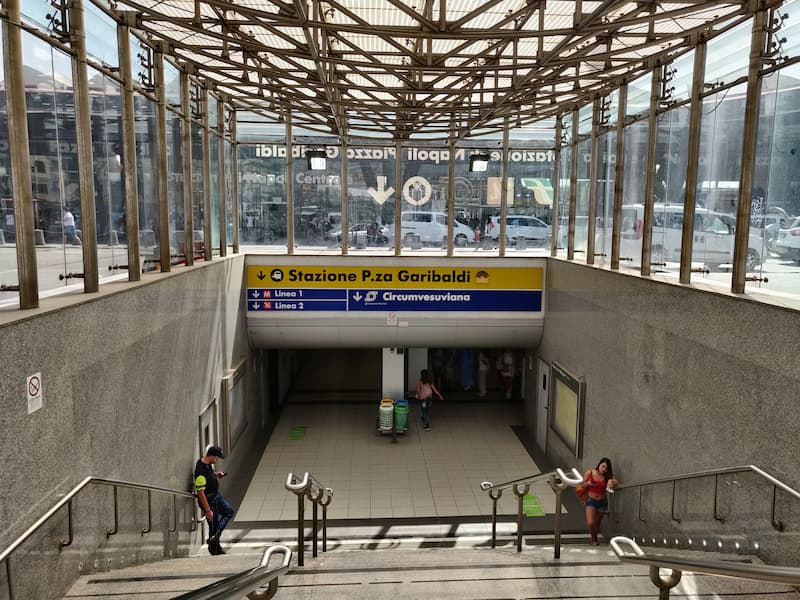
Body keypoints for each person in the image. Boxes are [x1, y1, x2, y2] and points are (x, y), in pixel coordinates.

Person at [194, 445, 235, 555]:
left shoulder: (206, 464)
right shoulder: (200, 471)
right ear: (211, 456)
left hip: (216, 496)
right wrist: (207, 511)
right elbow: (200, 493)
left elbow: (208, 478)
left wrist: (215, 475)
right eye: (217, 458)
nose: (217, 460)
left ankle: (215, 537)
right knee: (214, 525)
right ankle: (215, 550)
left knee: (229, 511)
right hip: (209, 501)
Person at [581, 457, 620, 545]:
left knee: (597, 524)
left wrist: (611, 480)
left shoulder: (607, 476)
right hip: (591, 501)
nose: (604, 469)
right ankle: (594, 539)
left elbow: (617, 483)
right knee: (591, 523)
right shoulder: (590, 472)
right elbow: (581, 485)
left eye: (606, 468)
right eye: (603, 466)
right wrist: (588, 484)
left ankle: (594, 539)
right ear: (599, 464)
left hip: (602, 502)